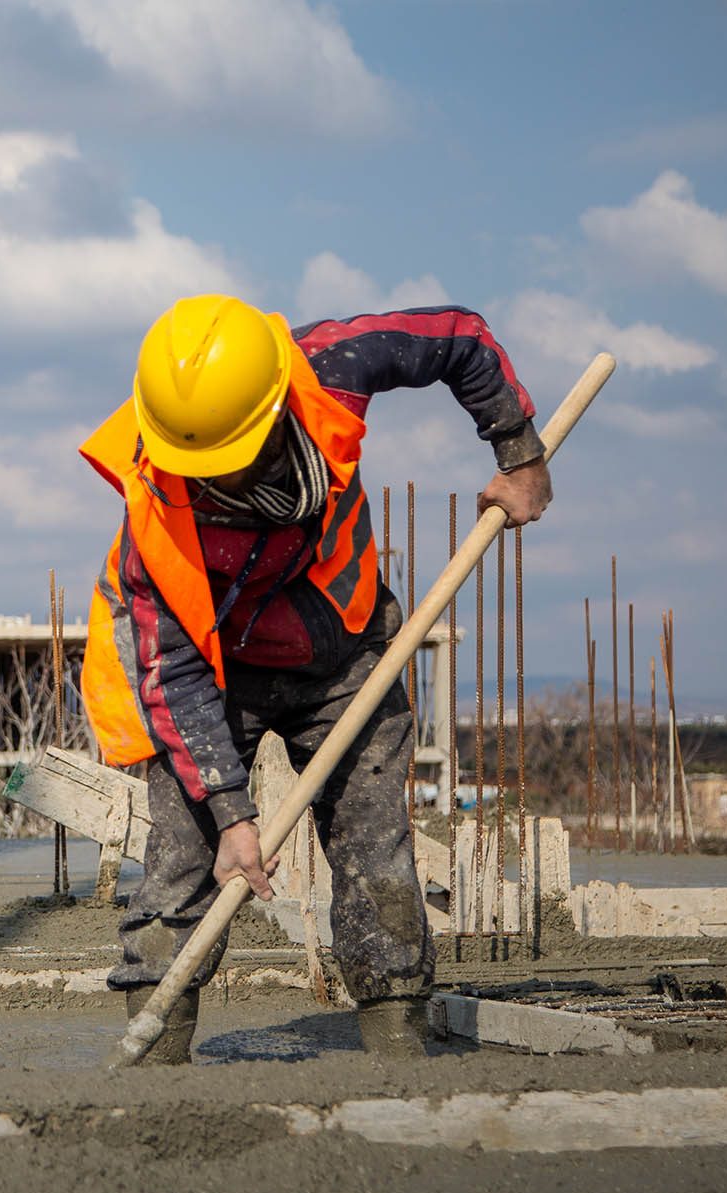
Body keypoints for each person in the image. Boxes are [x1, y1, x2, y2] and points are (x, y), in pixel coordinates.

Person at [80, 296, 550, 1059]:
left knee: (373, 848)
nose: (216, 482)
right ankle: (158, 1051)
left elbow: (459, 335)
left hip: (344, 656)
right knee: (182, 859)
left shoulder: (328, 366)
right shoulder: (154, 519)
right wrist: (234, 816)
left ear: (270, 410)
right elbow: (176, 676)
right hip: (216, 676)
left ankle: (396, 1039)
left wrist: (518, 454)